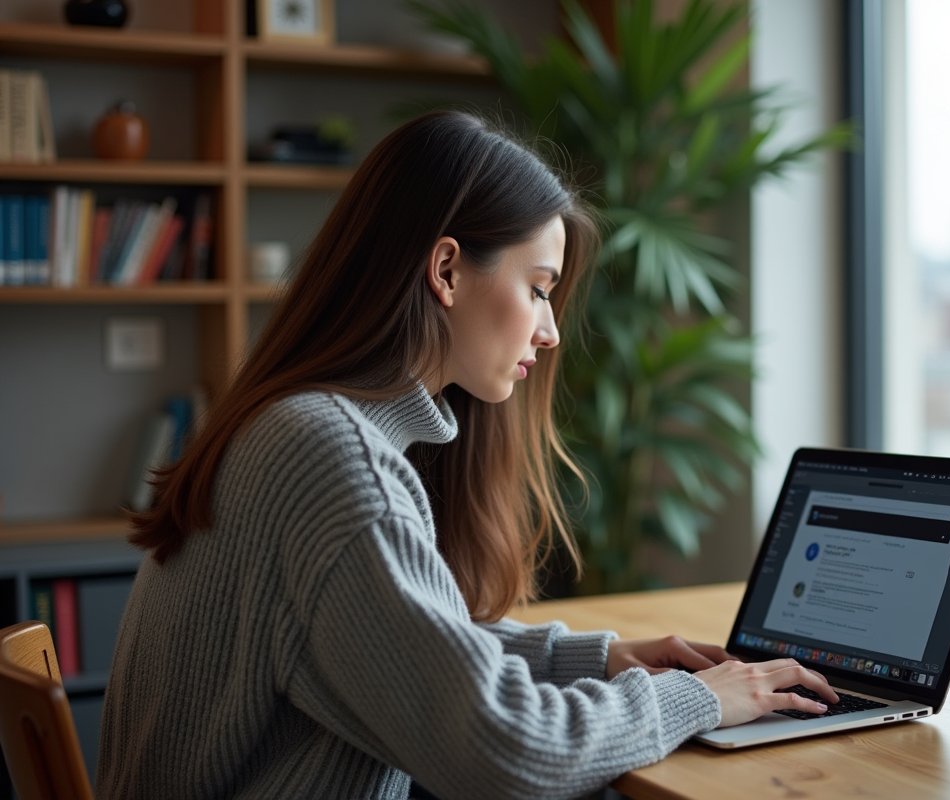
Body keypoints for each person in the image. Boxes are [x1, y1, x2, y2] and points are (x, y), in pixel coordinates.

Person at [95, 110, 838, 800]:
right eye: (539, 288)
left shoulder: (301, 426)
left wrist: (596, 659)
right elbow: (503, 748)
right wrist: (700, 698)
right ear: (446, 271)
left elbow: (390, 644)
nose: (549, 333)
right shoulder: (333, 456)